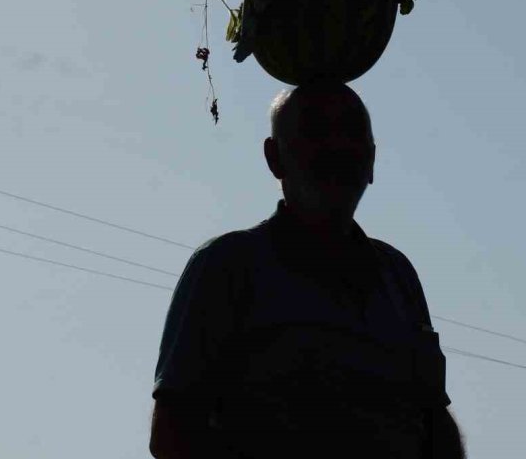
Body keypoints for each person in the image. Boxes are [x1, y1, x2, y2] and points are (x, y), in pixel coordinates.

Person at [149, 81, 465, 459]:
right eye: (315, 131)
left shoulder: (397, 275)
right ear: (274, 157)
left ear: (372, 160)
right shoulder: (227, 266)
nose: (336, 146)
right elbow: (173, 434)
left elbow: (433, 420)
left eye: (351, 132)